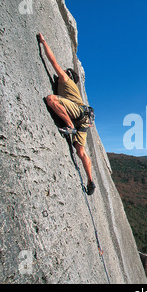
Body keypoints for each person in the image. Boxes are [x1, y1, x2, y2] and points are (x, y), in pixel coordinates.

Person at [37, 33, 96, 195]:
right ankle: (90, 180)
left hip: (77, 115)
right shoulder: (70, 87)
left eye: (64, 72)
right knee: (80, 152)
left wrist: (43, 42)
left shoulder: (66, 80)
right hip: (83, 120)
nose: (61, 72)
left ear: (68, 75)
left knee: (51, 99)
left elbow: (53, 61)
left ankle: (69, 125)